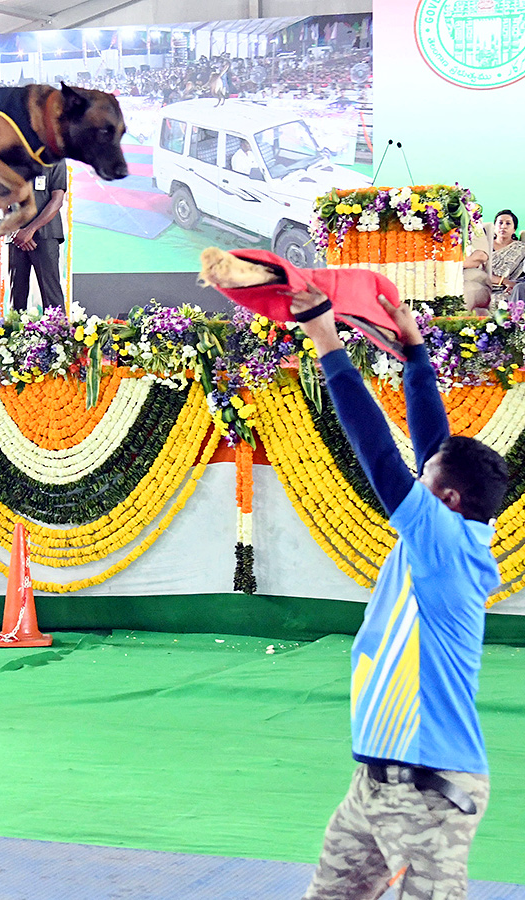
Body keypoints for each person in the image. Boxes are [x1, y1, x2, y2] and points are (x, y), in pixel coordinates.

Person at [292, 284, 507, 900]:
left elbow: (379, 454)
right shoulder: (451, 530)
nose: (417, 475)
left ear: (445, 501)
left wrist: (326, 339)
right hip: (375, 786)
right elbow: (429, 444)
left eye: (426, 479)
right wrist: (414, 356)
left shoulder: (443, 543)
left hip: (430, 793)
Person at [7, 162, 67, 311]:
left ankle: (57, 332)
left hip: (46, 234)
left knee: (51, 294)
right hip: (16, 238)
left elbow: (57, 199)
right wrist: (15, 231)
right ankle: (15, 334)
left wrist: (30, 230)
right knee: (17, 296)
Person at [464, 210, 524, 309]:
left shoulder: (521, 249)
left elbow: (519, 278)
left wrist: (510, 284)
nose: (503, 226)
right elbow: (478, 269)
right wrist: (502, 280)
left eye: (508, 223)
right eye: (500, 223)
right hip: (481, 285)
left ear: (514, 229)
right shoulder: (484, 246)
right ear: (494, 227)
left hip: (506, 289)